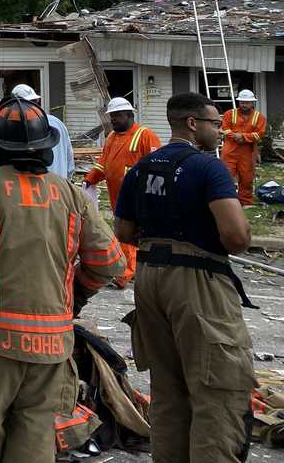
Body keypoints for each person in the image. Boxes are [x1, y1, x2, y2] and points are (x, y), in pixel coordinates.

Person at [0, 97, 126, 462]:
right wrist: (76, 295)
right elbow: (109, 261)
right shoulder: (71, 195)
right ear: (47, 147)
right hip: (51, 345)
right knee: (35, 436)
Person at [114, 92, 254, 462]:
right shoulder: (208, 168)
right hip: (199, 281)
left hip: (149, 279)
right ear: (193, 124)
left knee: (169, 387)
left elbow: (124, 232)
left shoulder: (142, 167)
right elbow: (236, 238)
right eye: (214, 123)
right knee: (218, 388)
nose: (220, 130)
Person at [81, 96, 161, 288]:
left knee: (129, 232)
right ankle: (129, 270)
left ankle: (124, 274)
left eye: (117, 116)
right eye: (112, 116)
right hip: (117, 194)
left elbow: (156, 165)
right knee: (124, 231)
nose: (114, 120)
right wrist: (91, 177)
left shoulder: (145, 135)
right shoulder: (111, 137)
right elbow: (104, 162)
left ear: (129, 114)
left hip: (137, 194)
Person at [11, 84, 74, 180]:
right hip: (59, 187)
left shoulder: (22, 128)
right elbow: (70, 165)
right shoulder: (58, 123)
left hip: (37, 188)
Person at [220, 89, 266, 206]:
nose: (244, 104)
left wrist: (244, 137)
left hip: (248, 151)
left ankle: (245, 202)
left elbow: (259, 134)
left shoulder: (259, 117)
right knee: (226, 176)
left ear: (252, 103)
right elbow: (224, 129)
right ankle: (226, 200)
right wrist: (235, 136)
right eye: (242, 102)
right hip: (230, 150)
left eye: (247, 102)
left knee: (246, 178)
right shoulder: (229, 114)